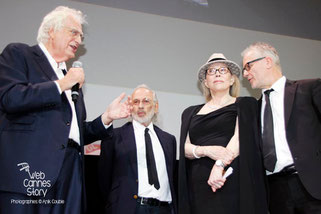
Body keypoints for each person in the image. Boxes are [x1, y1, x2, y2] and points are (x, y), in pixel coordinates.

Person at [0, 6, 131, 214]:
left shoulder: (70, 78)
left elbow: (74, 132)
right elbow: (11, 98)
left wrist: (106, 117)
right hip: (30, 171)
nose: (79, 40)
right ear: (52, 30)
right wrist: (61, 84)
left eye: (81, 35)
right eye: (74, 32)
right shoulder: (20, 54)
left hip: (70, 174)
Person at [178, 53, 268, 214]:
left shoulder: (245, 104)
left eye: (222, 70)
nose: (217, 73)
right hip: (198, 185)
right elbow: (184, 148)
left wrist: (219, 166)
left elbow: (240, 139)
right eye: (211, 71)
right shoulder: (190, 112)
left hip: (230, 178)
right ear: (205, 82)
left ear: (232, 79)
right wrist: (205, 150)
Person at [242, 42, 321, 214]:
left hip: (312, 185)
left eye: (248, 66)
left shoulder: (309, 88)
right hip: (275, 190)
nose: (245, 73)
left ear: (268, 61)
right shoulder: (254, 109)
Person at [99, 84, 177, 214]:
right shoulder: (114, 136)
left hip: (164, 209)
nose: (140, 106)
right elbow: (103, 178)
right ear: (130, 107)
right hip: (128, 208)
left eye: (146, 101)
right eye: (136, 102)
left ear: (156, 107)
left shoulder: (169, 140)